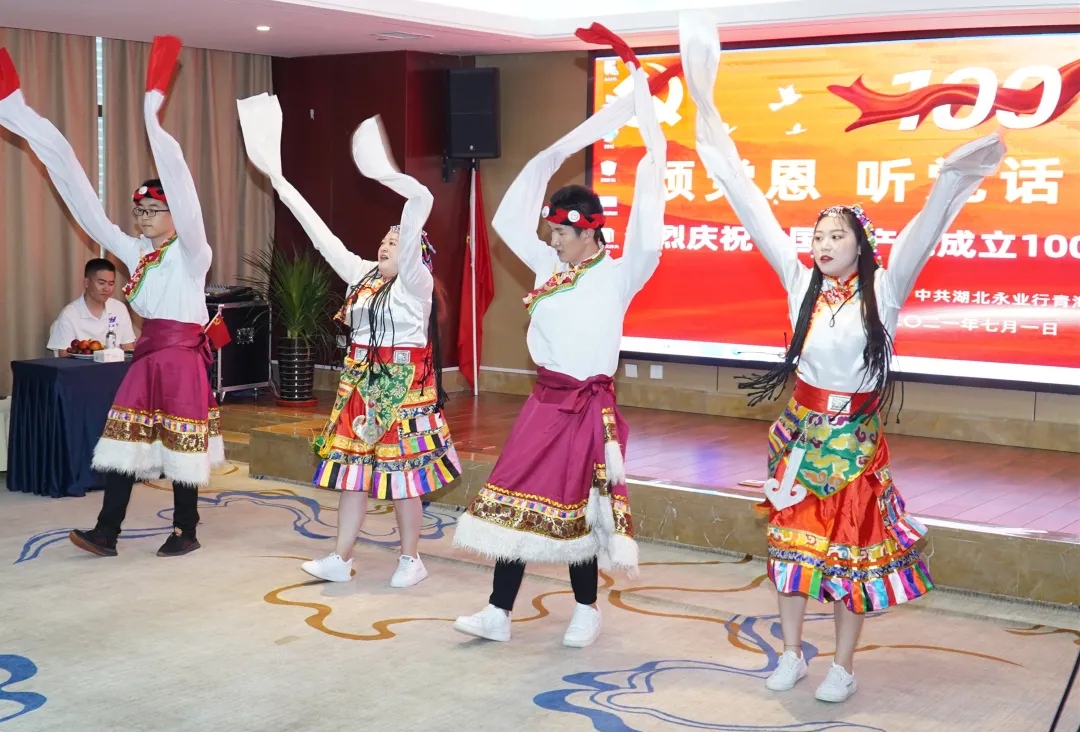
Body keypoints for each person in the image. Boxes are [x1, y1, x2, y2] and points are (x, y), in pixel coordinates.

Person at [678, 13, 1007, 702]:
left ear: (860, 243)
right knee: (791, 555)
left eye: (835, 235)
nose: (822, 244)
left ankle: (843, 665)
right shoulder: (797, 282)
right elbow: (748, 203)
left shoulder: (885, 290)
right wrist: (713, 130)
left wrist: (952, 177)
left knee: (848, 561)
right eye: (818, 235)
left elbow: (928, 227)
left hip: (854, 444)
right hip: (798, 439)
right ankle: (790, 653)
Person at [451, 46, 671, 648]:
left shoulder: (619, 274)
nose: (551, 241)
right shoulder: (549, 266)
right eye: (549, 231)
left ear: (589, 231)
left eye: (561, 233)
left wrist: (647, 131)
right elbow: (505, 221)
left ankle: (586, 609)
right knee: (516, 491)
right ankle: (498, 610)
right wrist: (548, 157)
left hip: (587, 407)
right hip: (543, 402)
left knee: (579, 505)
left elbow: (651, 225)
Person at [0, 36, 224, 558]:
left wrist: (152, 118)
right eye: (139, 211)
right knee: (123, 440)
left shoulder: (193, 251)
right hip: (147, 356)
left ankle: (185, 530)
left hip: (181, 358)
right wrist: (33, 130)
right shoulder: (136, 251)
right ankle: (107, 530)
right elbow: (87, 208)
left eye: (152, 211)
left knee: (181, 445)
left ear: (173, 215)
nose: (141, 219)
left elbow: (186, 196)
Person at [237, 94, 461, 588]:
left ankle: (411, 559)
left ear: (415, 255)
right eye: (383, 240)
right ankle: (340, 557)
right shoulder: (361, 275)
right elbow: (320, 236)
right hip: (359, 384)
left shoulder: (416, 285)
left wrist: (386, 175)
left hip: (402, 387)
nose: (385, 245)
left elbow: (419, 208)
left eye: (395, 242)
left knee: (402, 477)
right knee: (354, 473)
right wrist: (280, 181)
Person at [47, 258, 138, 355]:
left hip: (115, 364)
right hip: (81, 365)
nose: (107, 289)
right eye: (101, 283)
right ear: (86, 283)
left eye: (111, 284)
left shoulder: (119, 308)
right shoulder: (69, 314)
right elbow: (64, 356)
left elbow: (128, 348)